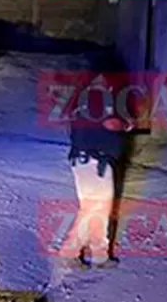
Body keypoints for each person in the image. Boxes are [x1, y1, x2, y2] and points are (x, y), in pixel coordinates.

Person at [57, 51, 135, 273]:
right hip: (96, 162)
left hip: (83, 160)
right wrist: (127, 124)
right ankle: (70, 252)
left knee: (94, 209)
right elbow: (112, 124)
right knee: (95, 208)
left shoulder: (81, 97)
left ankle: (99, 254)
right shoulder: (101, 96)